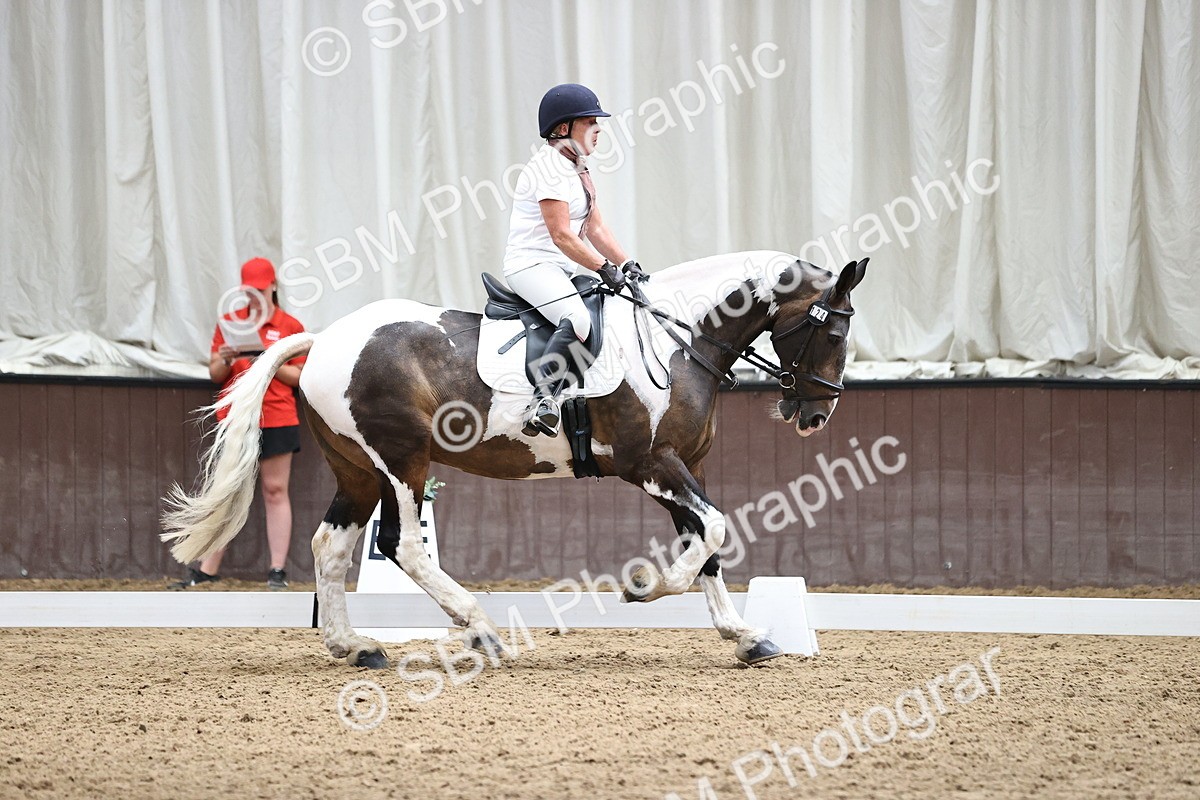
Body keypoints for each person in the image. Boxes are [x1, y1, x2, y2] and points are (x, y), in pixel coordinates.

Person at [503, 83, 648, 437]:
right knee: (576, 318)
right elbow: (562, 235)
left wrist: (627, 264)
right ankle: (543, 401)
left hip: (560, 268)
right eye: (590, 123)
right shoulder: (548, 168)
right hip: (531, 266)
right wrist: (603, 268)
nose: (598, 130)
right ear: (564, 128)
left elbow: (595, 228)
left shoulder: (575, 167)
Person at [170, 257, 306, 591]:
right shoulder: (230, 322)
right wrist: (228, 357)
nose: (255, 298)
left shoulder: (290, 325)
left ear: (273, 286)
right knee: (228, 491)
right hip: (236, 418)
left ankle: (277, 570)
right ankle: (207, 569)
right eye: (249, 292)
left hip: (276, 416)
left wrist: (267, 356)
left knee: (275, 491)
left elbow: (298, 377)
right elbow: (216, 373)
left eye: (260, 290)